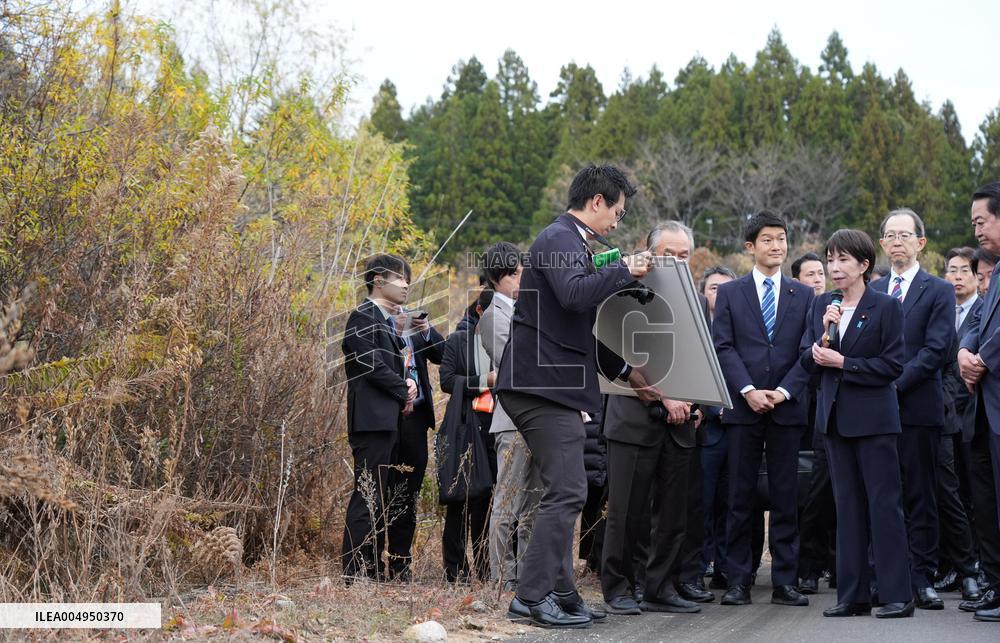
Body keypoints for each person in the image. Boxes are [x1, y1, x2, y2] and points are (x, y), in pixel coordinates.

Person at [496, 164, 656, 629]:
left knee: (564, 490)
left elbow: (578, 324)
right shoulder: (560, 238)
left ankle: (563, 594)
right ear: (598, 202)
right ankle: (530, 597)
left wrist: (626, 370)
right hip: (541, 386)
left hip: (552, 384)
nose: (617, 224)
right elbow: (573, 295)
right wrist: (624, 269)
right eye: (619, 213)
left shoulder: (573, 243)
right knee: (567, 490)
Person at [800, 229, 913, 618]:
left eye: (844, 260)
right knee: (846, 507)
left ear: (864, 265)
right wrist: (820, 347)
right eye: (830, 259)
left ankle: (897, 594)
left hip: (875, 420)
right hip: (833, 420)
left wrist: (845, 363)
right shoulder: (822, 307)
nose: (835, 268)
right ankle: (853, 595)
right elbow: (804, 361)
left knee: (884, 506)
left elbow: (893, 365)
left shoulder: (885, 307)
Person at [600, 221, 707, 616]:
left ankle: (660, 586)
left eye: (683, 256)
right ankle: (619, 587)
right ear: (649, 254)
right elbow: (616, 359)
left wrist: (696, 404)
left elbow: (703, 361)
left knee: (672, 515)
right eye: (668, 255)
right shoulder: (624, 293)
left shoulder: (696, 300)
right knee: (627, 512)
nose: (677, 263)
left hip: (681, 424)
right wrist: (667, 398)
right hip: (633, 419)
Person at [712, 211, 814, 608]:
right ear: (750, 247)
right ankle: (738, 579)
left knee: (787, 498)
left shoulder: (803, 294)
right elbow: (723, 346)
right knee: (740, 496)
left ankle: (785, 581)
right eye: (768, 239)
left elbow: (808, 350)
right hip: (744, 407)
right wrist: (749, 389)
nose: (777, 246)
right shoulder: (732, 293)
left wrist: (785, 391)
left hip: (786, 409)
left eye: (782, 238)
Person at [871, 209, 956, 609]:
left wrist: (892, 382)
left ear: (921, 242)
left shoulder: (938, 290)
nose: (898, 241)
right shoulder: (872, 290)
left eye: (905, 234)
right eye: (890, 235)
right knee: (884, 495)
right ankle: (888, 576)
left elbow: (937, 350)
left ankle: (922, 577)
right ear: (883, 244)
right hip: (875, 412)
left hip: (918, 406)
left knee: (921, 494)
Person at [340, 254, 421, 582]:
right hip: (371, 421)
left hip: (385, 421)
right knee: (367, 494)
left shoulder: (383, 320)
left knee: (378, 496)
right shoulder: (363, 315)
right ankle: (356, 572)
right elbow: (367, 361)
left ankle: (369, 570)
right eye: (400, 278)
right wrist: (402, 387)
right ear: (377, 280)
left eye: (407, 279)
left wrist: (409, 383)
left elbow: (386, 364)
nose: (406, 284)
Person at [478, 242, 540, 592]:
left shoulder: (524, 310)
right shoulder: (493, 316)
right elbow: (515, 362)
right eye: (516, 273)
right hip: (512, 420)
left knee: (533, 499)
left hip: (537, 420)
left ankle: (529, 572)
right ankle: (501, 575)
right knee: (507, 500)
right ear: (499, 277)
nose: (522, 279)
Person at [957, 181, 1000, 622]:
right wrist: (964, 351)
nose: (977, 230)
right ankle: (995, 584)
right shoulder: (996, 271)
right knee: (985, 504)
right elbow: (979, 320)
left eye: (981, 221)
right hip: (984, 410)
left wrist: (983, 358)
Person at [438, 288, 497, 583]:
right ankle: (456, 571)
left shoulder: (507, 341)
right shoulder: (458, 340)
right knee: (460, 498)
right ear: (479, 311)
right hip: (465, 426)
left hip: (496, 428)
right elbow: (447, 380)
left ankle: (488, 570)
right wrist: (482, 382)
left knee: (489, 502)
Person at [936, 246, 983, 601]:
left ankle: (977, 566)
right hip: (945, 416)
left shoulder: (983, 311)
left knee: (972, 494)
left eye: (963, 270)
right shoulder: (942, 310)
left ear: (976, 275)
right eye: (950, 270)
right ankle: (952, 563)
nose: (956, 276)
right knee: (949, 493)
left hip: (975, 414)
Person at [792, 252, 837, 595]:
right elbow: (805, 354)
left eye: (823, 271)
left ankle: (842, 567)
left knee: (849, 497)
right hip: (816, 409)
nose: (823, 276)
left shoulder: (875, 301)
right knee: (817, 493)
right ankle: (809, 566)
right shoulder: (818, 304)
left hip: (858, 407)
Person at [696, 265, 737, 592]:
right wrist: (714, 408)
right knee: (702, 505)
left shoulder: (741, 326)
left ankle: (726, 569)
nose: (720, 294)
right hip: (707, 430)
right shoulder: (697, 329)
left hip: (738, 429)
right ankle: (697, 570)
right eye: (713, 288)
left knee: (732, 504)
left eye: (726, 288)